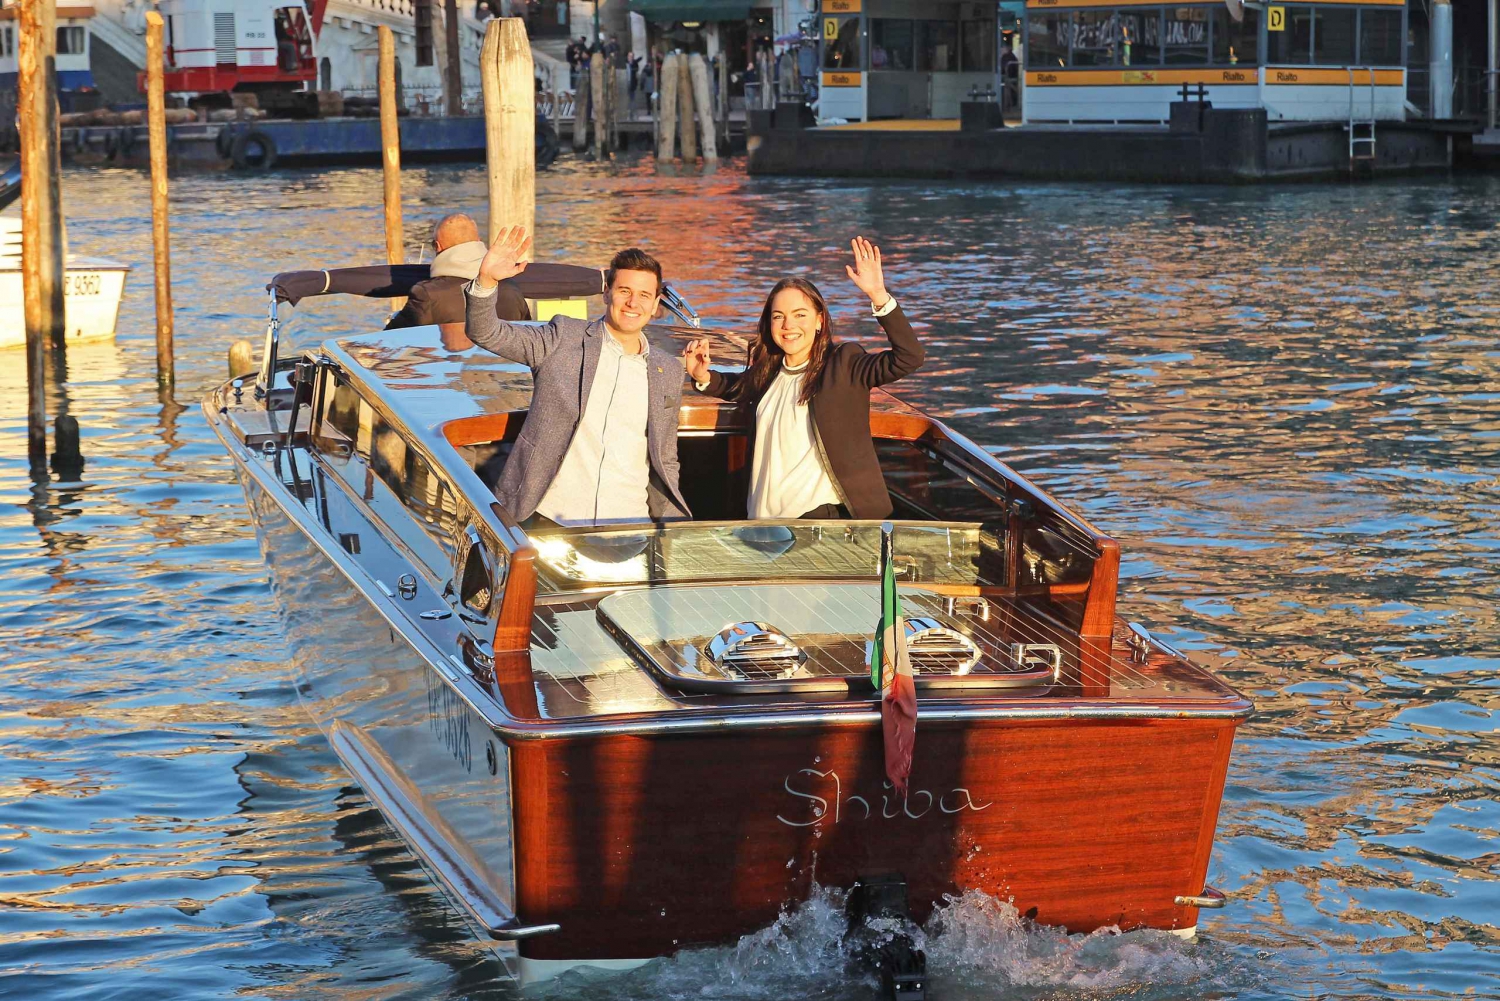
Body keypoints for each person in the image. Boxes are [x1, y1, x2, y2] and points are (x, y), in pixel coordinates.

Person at [682, 237, 923, 521]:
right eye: (778, 316)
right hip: (763, 524)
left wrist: (879, 295)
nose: (788, 326)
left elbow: (909, 357)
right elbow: (736, 386)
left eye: (800, 315)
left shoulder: (843, 364)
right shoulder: (768, 372)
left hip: (820, 522)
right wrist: (702, 376)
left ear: (820, 320)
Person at [465, 227, 690, 528]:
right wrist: (487, 281)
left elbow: (665, 456)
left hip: (630, 524)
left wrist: (670, 528)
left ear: (655, 302)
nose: (633, 303)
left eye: (644, 295)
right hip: (550, 518)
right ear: (607, 292)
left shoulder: (669, 370)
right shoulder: (562, 338)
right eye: (624, 291)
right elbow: (487, 332)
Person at [386, 214, 529, 329]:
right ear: (478, 242)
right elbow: (528, 334)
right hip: (505, 364)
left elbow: (391, 339)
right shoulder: (511, 288)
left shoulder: (427, 294)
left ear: (438, 246)